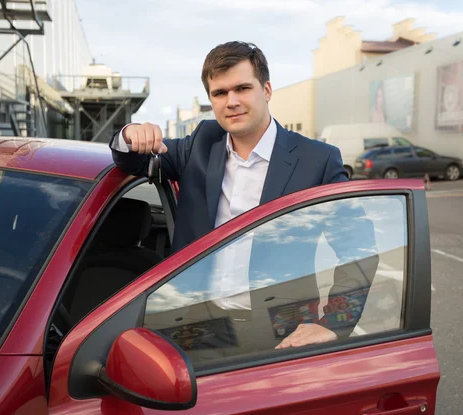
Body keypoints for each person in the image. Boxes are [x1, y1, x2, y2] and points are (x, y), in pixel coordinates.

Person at [110, 41, 373, 349]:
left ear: (267, 90)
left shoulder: (317, 160)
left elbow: (358, 245)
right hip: (192, 323)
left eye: (242, 88)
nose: (231, 101)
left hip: (281, 331)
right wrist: (129, 135)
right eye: (219, 93)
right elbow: (135, 160)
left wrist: (334, 323)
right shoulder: (201, 144)